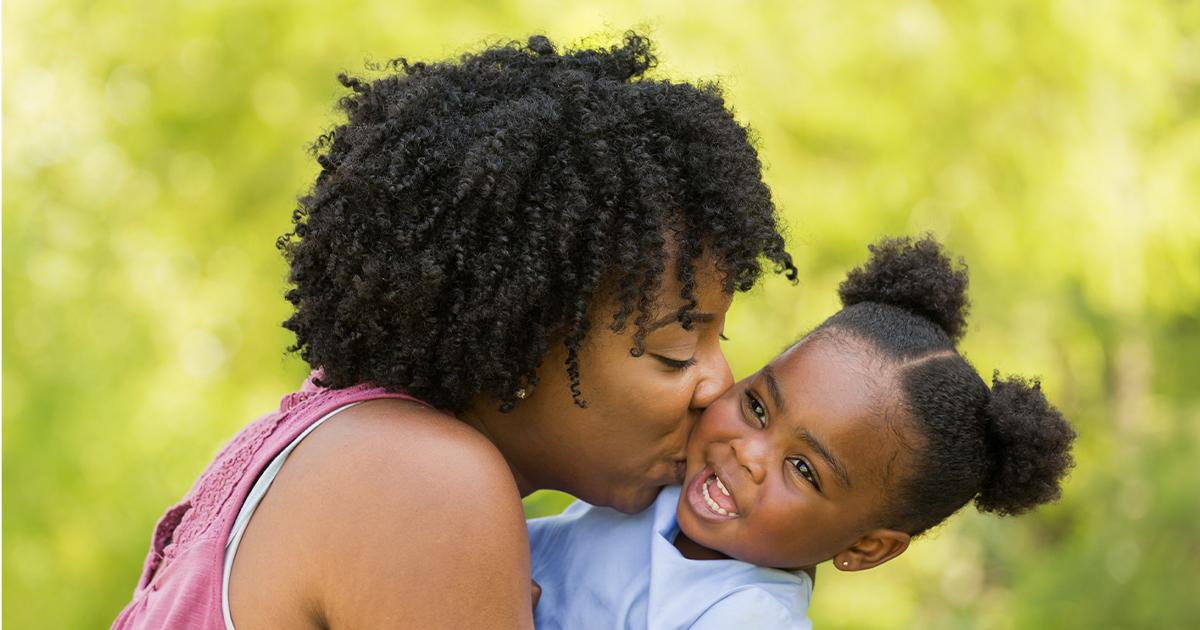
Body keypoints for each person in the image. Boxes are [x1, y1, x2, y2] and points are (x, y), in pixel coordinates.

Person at [112, 32, 797, 629]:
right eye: (676, 350)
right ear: (523, 341)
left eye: (718, 342)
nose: (719, 384)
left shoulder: (341, 437)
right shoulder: (425, 485)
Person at [527, 235, 1076, 629]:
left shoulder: (747, 615)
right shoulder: (658, 483)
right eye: (759, 409)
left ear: (865, 548)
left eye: (803, 469)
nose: (747, 454)